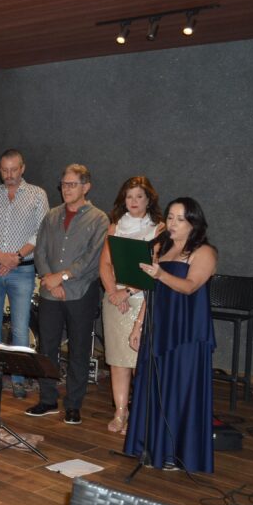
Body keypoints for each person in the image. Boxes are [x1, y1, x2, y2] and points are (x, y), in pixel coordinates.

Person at [125, 198, 216, 473]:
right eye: (170, 217)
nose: (172, 223)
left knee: (179, 389)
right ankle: (150, 447)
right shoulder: (162, 249)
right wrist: (138, 325)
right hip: (159, 326)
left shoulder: (204, 252)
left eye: (180, 219)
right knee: (154, 386)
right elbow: (151, 292)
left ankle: (175, 453)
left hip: (185, 331)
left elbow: (189, 287)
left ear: (193, 223)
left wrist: (160, 274)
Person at [26, 164, 109, 424]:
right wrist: (50, 280)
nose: (66, 189)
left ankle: (73, 404)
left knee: (79, 350)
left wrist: (61, 277)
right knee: (47, 348)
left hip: (81, 292)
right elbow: (40, 251)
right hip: (51, 292)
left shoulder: (99, 219)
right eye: (63, 184)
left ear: (86, 187)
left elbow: (91, 258)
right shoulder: (51, 216)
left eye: (72, 184)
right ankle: (48, 400)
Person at [0, 149, 48, 399]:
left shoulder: (38, 195)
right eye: (4, 170)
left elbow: (40, 232)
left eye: (13, 170)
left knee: (20, 327)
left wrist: (16, 256)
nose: (9, 175)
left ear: (22, 168)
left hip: (23, 270)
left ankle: (18, 379)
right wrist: (0, 256)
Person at [98, 176, 163, 434]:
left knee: (139, 362)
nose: (134, 201)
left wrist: (127, 292)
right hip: (114, 299)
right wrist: (113, 292)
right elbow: (105, 264)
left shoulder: (158, 229)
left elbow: (155, 269)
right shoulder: (115, 227)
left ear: (149, 200)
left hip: (141, 300)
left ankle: (139, 414)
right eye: (129, 196)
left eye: (139, 196)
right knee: (117, 360)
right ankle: (120, 412)